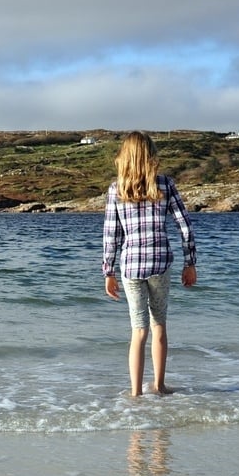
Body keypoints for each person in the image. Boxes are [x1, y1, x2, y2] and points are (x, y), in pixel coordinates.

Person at [102, 131, 197, 397]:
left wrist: (108, 270)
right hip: (160, 262)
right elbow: (185, 226)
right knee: (159, 327)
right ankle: (159, 385)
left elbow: (112, 235)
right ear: (151, 155)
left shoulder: (116, 189)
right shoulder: (165, 185)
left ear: (124, 156)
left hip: (131, 266)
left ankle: (135, 393)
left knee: (138, 331)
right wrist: (190, 262)